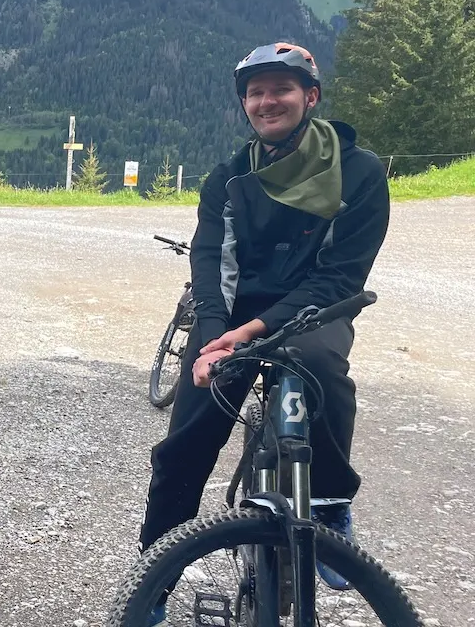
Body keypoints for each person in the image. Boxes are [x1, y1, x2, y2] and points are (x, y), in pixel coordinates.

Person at [138, 42, 390, 625]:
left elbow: (339, 276)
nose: (266, 100)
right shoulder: (228, 178)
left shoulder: (359, 171)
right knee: (183, 448)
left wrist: (255, 330)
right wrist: (211, 339)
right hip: (232, 319)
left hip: (314, 312)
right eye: (255, 92)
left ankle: (326, 505)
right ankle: (153, 579)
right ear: (244, 103)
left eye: (281, 88)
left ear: (311, 97)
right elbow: (211, 263)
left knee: (318, 368)